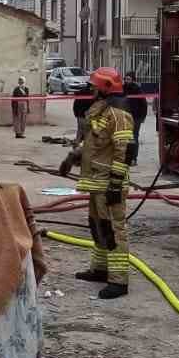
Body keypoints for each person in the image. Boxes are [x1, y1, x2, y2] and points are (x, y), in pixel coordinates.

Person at [59, 67, 134, 299]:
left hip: (108, 184)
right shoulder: (101, 113)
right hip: (96, 183)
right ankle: (101, 270)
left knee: (113, 231)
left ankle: (119, 281)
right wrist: (72, 158)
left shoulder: (118, 115)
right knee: (98, 226)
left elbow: (125, 151)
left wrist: (115, 184)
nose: (90, 90)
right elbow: (95, 147)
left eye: (94, 87)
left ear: (104, 89)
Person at [122, 72, 149, 167]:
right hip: (124, 117)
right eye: (125, 79)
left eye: (128, 79)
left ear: (133, 79)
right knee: (124, 137)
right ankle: (125, 157)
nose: (126, 81)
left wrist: (143, 117)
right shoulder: (122, 89)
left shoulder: (137, 89)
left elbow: (144, 104)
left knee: (134, 137)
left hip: (136, 117)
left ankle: (133, 158)